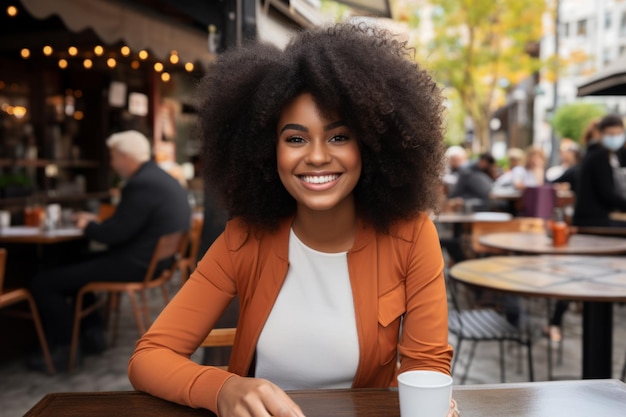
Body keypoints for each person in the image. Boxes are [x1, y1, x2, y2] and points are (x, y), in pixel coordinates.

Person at [128, 23, 455, 417]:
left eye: (338, 137)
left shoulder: (411, 235)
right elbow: (149, 356)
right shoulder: (243, 239)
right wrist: (222, 389)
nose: (316, 156)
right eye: (295, 139)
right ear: (267, 150)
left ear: (371, 145)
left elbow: (427, 367)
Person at [28, 130, 191, 371]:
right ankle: (92, 336)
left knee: (45, 282)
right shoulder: (160, 178)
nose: (113, 164)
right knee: (76, 264)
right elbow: (127, 224)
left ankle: (64, 352)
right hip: (154, 262)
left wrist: (88, 225)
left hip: (135, 264)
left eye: (114, 157)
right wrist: (97, 222)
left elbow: (114, 235)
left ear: (125, 156)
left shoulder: (140, 184)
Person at [573, 114, 626, 227]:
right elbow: (607, 194)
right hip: (591, 220)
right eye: (611, 134)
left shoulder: (612, 155)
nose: (615, 138)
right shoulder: (598, 156)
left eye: (618, 134)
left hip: (598, 217)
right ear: (600, 134)